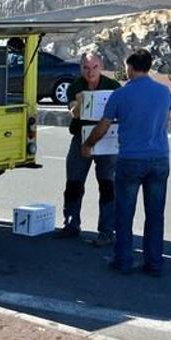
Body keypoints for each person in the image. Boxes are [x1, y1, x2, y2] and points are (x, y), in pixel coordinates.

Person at [82, 49, 171, 276]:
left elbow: (103, 126)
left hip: (131, 159)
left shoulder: (121, 95)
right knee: (155, 214)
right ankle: (154, 263)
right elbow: (165, 122)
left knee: (124, 212)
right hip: (160, 158)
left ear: (130, 68)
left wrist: (88, 144)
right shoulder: (164, 92)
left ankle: (122, 260)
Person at [53, 52, 122, 246]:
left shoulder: (113, 87)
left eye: (94, 67)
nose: (90, 72)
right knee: (74, 182)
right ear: (80, 68)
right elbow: (73, 111)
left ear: (101, 66)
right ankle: (71, 224)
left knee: (108, 185)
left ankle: (107, 231)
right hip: (80, 139)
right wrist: (82, 102)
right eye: (86, 68)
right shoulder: (76, 86)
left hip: (107, 139)